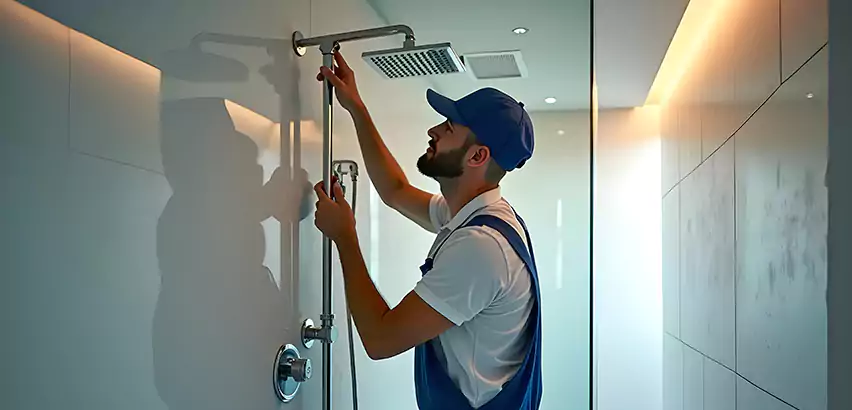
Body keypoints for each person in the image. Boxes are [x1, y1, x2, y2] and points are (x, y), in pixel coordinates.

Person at [312, 52, 542, 410]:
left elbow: (380, 338)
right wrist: (357, 108)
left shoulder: (481, 248)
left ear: (477, 157)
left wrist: (345, 237)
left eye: (448, 128)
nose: (433, 130)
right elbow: (396, 192)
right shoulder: (479, 214)